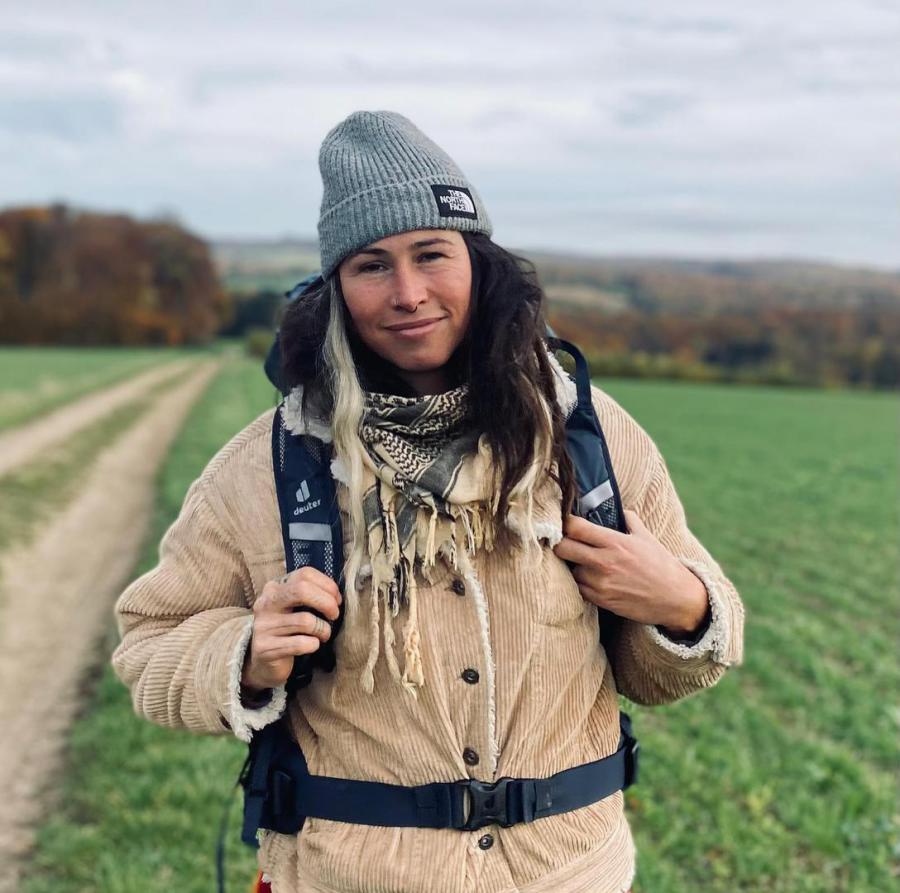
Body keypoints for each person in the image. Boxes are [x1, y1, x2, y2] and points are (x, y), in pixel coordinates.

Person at [112, 110, 745, 893]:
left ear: (479, 262)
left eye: (431, 254)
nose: (408, 293)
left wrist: (682, 604)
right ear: (336, 289)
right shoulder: (268, 466)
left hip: (570, 873)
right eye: (371, 265)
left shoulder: (588, 438)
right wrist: (244, 655)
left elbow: (675, 665)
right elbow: (148, 643)